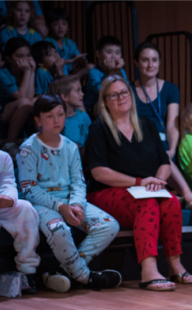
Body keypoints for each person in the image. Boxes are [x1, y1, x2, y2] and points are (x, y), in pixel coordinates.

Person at [86, 75, 192, 292]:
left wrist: (158, 181)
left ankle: (174, 264)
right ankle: (148, 270)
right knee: (147, 205)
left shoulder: (147, 125)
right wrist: (138, 182)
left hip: (145, 188)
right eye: (113, 95)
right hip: (107, 192)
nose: (120, 98)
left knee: (172, 203)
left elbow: (164, 163)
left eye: (124, 92)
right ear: (105, 101)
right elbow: (98, 173)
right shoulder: (98, 128)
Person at [17, 95, 122, 293]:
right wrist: (61, 207)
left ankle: (63, 271)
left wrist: (77, 205)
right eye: (49, 116)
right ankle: (86, 277)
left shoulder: (71, 147)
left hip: (70, 202)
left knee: (109, 225)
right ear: (38, 120)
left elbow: (78, 182)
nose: (56, 120)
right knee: (59, 229)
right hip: (43, 205)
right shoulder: (28, 149)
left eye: (60, 114)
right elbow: (30, 190)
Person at [131, 42, 192, 218]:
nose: (150, 65)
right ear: (136, 63)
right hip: (139, 143)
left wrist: (172, 149)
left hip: (163, 142)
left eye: (154, 60)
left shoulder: (170, 88)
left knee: (164, 155)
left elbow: (172, 125)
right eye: (145, 60)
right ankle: (188, 196)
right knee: (158, 155)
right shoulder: (129, 89)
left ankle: (181, 195)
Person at [0, 149, 42, 294]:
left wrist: (9, 199)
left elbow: (8, 183)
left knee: (25, 208)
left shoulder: (3, 157)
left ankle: (27, 272)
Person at [0, 37, 36, 159]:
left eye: (28, 55)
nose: (25, 60)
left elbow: (29, 97)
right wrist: (27, 72)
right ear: (9, 58)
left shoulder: (26, 71)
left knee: (35, 101)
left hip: (21, 109)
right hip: (3, 112)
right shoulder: (3, 73)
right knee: (25, 101)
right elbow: (20, 97)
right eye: (19, 56)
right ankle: (9, 144)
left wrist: (31, 71)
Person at [84, 36, 128, 118]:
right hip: (94, 111)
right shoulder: (94, 72)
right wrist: (111, 72)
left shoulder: (121, 71)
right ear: (98, 54)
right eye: (109, 52)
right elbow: (105, 92)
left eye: (117, 53)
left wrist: (118, 71)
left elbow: (127, 89)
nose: (114, 56)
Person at [49, 75, 91, 151]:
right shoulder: (53, 121)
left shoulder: (84, 117)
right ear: (65, 97)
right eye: (78, 91)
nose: (82, 94)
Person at [44, 8, 87, 73]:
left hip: (69, 72)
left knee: (90, 67)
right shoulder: (47, 41)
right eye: (56, 24)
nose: (60, 27)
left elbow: (79, 58)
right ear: (49, 27)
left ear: (68, 27)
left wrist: (81, 60)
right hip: (53, 71)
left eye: (64, 24)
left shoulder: (70, 43)